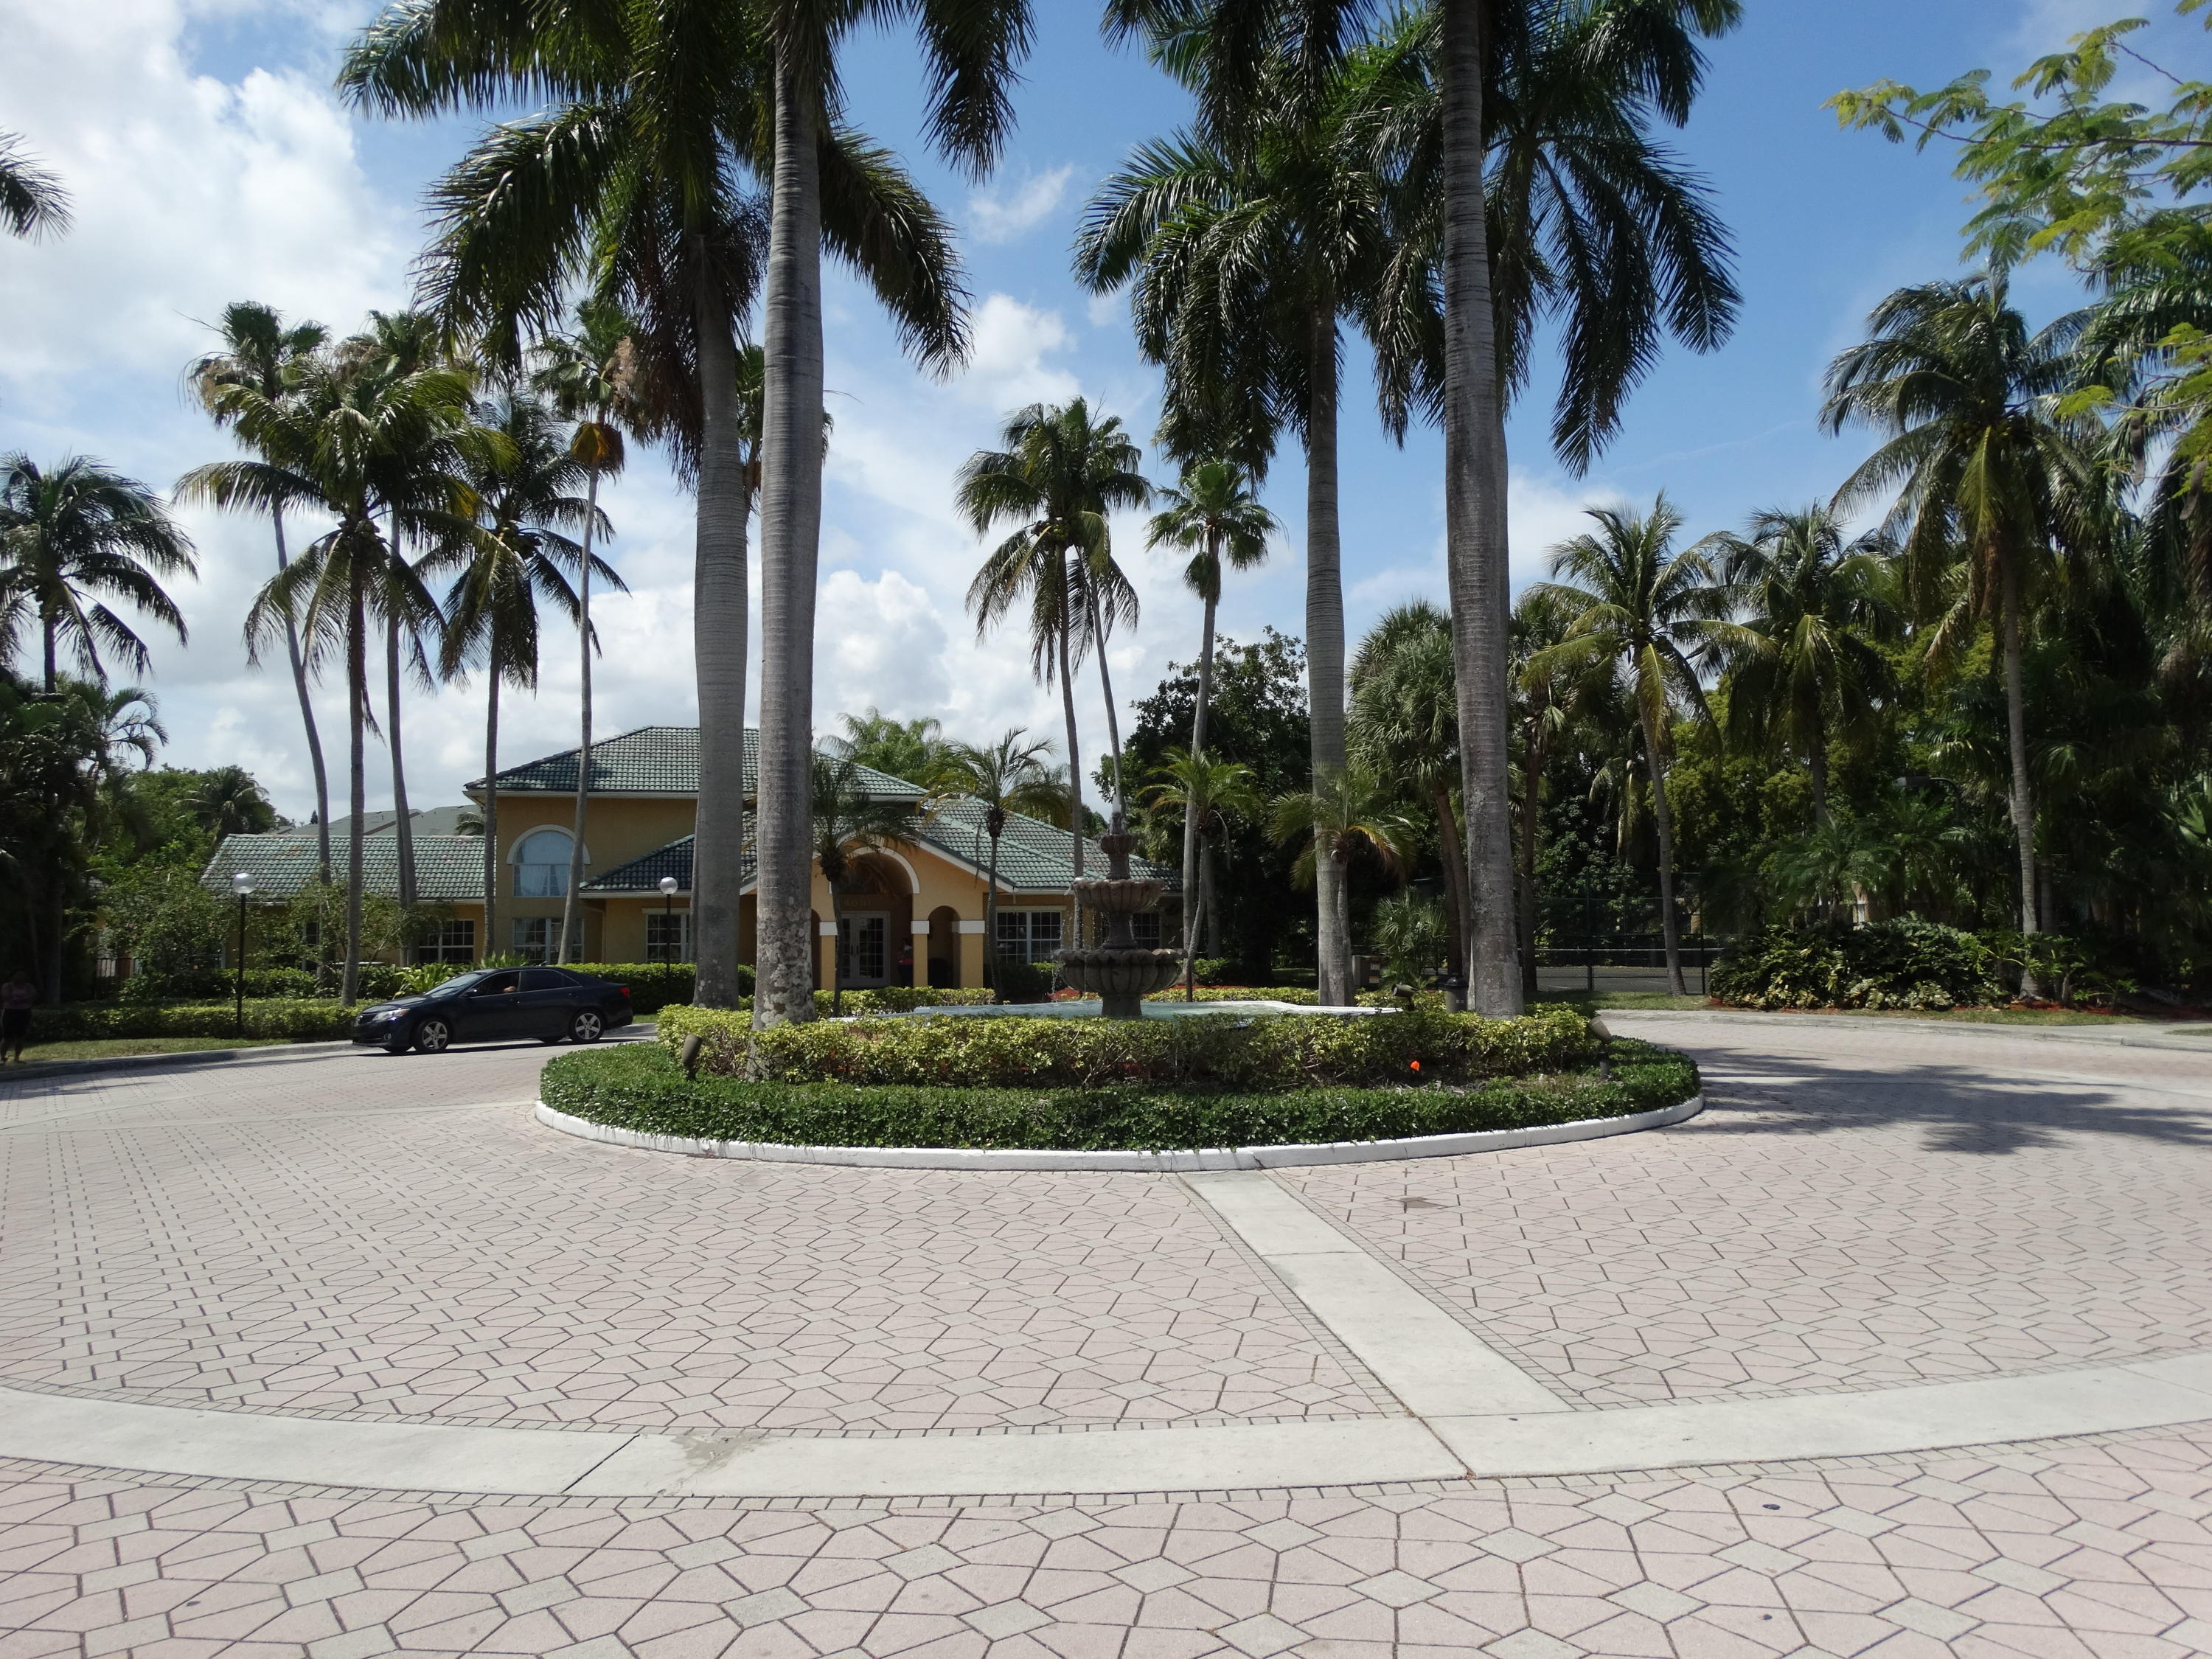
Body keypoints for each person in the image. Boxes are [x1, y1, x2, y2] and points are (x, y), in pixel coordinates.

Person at [1, 969, 35, 1064]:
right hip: (10, 1012)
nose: (20, 977)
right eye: (18, 975)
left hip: (24, 1012)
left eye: (22, 975)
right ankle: (2, 1057)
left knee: (21, 1035)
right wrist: (22, 999)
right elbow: (6, 996)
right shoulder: (8, 986)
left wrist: (21, 1000)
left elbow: (33, 996)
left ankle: (17, 1057)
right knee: (7, 1036)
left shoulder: (29, 986)